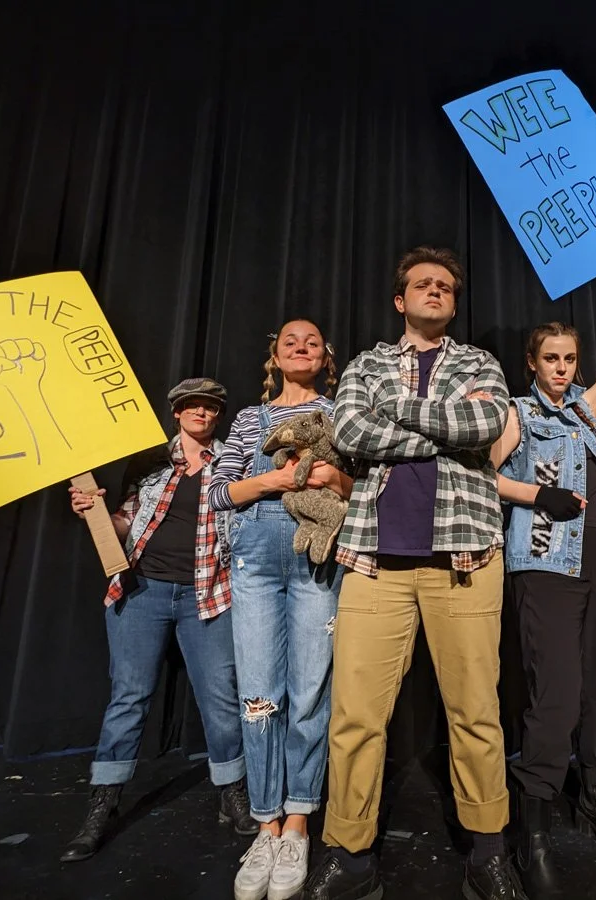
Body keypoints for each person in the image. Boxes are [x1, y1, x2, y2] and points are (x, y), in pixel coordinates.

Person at [302, 246, 526, 900]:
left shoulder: (477, 363)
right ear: (400, 300)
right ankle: (350, 854)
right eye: (423, 285)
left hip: (466, 557)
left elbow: (486, 423)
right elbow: (349, 432)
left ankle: (488, 851)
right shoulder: (368, 364)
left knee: (477, 713)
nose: (436, 292)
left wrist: (394, 413)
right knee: (355, 716)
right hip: (374, 560)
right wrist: (441, 431)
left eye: (446, 287)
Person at [489, 263, 596, 898]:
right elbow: (481, 476)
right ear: (532, 362)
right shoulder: (516, 414)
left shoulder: (584, 409)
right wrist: (536, 495)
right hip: (547, 568)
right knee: (554, 696)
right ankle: (534, 826)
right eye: (550, 357)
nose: (561, 367)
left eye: (569, 358)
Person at [61, 377, 256, 863]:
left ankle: (231, 794)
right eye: (192, 406)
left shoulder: (232, 461)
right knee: (128, 697)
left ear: (218, 415)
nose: (202, 413)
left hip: (206, 594)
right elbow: (126, 524)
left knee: (220, 696)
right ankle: (101, 807)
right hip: (142, 591)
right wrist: (93, 512)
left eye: (211, 407)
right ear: (177, 413)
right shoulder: (150, 463)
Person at [210, 321, 353, 900]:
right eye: (290, 340)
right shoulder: (250, 419)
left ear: (324, 357)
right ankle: (264, 824)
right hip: (257, 562)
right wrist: (278, 477)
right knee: (260, 691)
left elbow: (358, 485)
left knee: (312, 688)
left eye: (313, 341)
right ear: (275, 354)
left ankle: (297, 822)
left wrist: (330, 477)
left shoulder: (341, 415)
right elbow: (222, 491)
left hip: (317, 559)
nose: (301, 347)